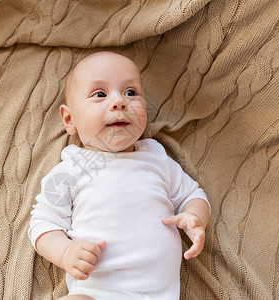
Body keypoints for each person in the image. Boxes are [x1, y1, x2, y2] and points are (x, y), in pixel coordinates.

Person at [28, 51, 210, 300]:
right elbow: (43, 223)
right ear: (70, 119)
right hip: (96, 291)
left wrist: (194, 216)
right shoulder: (71, 169)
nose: (120, 102)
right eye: (100, 94)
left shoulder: (156, 158)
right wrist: (65, 252)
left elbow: (193, 194)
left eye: (131, 93)